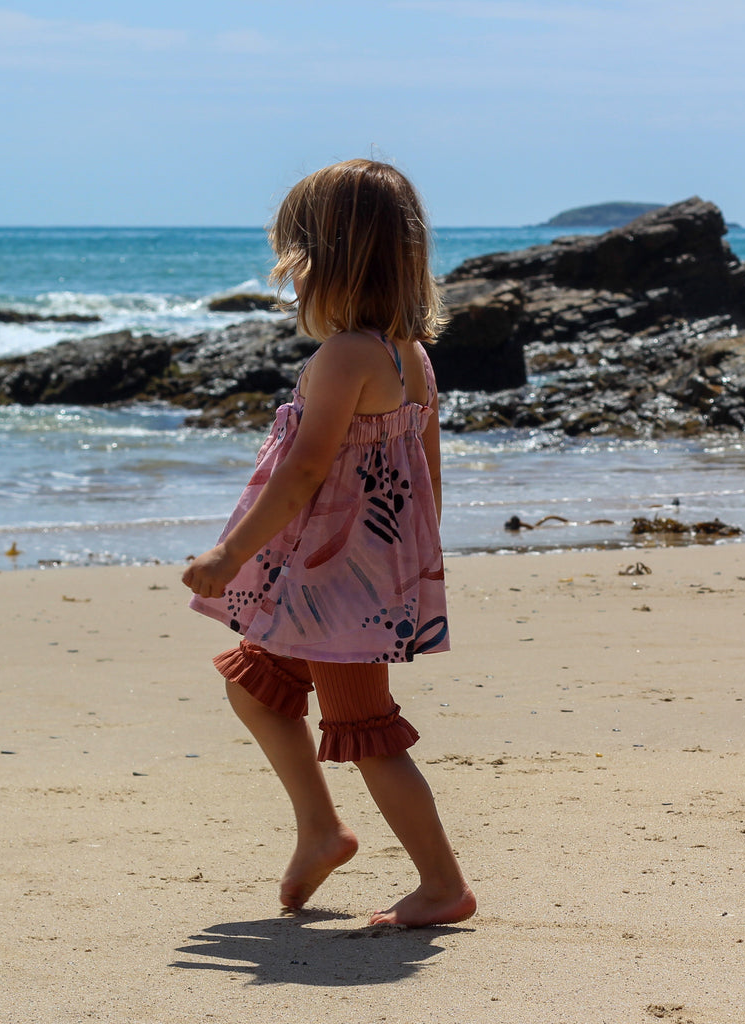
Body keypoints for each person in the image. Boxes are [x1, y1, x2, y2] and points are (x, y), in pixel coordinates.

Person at [182, 159, 475, 928]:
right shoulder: (410, 356)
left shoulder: (346, 357)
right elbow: (426, 474)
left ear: (324, 262)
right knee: (254, 685)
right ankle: (320, 829)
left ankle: (442, 884)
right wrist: (414, 568)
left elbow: (307, 470)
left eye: (296, 259)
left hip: (337, 592)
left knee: (367, 733)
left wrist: (227, 553)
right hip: (340, 582)